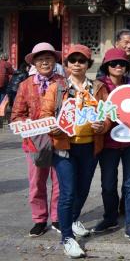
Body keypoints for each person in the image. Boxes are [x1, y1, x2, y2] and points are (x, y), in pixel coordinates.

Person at [41, 44, 109, 259]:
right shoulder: (57, 87)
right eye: (73, 60)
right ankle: (67, 238)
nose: (77, 64)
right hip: (64, 147)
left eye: (82, 61)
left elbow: (107, 113)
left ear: (88, 64)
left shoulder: (97, 87)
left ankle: (71, 220)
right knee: (68, 192)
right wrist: (51, 125)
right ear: (67, 64)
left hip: (90, 146)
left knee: (83, 189)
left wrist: (103, 125)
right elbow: (45, 113)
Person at [10, 43, 63, 237]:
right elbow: (16, 115)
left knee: (60, 182)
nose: (45, 62)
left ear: (54, 61)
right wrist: (31, 125)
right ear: (34, 63)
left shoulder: (64, 83)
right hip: (35, 142)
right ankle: (39, 219)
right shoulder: (25, 85)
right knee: (36, 182)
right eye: (40, 59)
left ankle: (58, 218)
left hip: (60, 139)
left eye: (48, 58)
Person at [93, 48, 130, 242]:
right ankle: (110, 218)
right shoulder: (99, 87)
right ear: (107, 66)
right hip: (108, 142)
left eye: (122, 64)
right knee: (107, 184)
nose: (118, 67)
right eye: (114, 64)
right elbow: (93, 111)